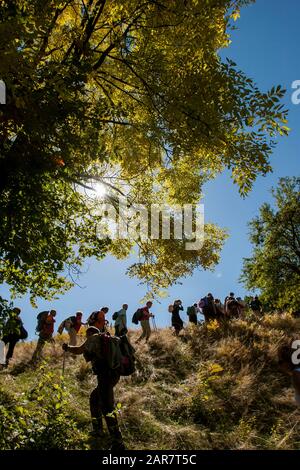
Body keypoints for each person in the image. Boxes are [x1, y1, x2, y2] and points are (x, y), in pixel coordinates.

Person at [62, 326, 125, 450]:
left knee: (107, 406)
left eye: (86, 334)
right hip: (114, 374)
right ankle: (98, 430)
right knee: (94, 398)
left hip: (105, 374)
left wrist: (67, 347)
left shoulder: (94, 337)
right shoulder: (108, 340)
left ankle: (117, 441)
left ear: (90, 333)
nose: (86, 337)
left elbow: (80, 350)